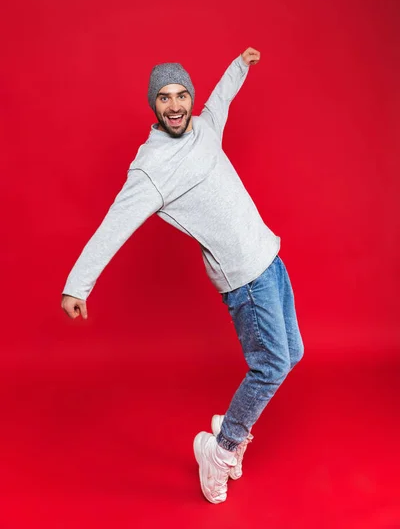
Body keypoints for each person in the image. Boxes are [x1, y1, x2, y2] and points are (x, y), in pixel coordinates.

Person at [61, 47, 304, 504]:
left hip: (269, 258)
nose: (175, 105)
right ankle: (222, 447)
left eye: (181, 95)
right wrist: (78, 283)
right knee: (270, 365)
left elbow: (222, 99)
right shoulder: (152, 167)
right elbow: (115, 222)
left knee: (292, 355)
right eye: (164, 98)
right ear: (153, 105)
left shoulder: (205, 127)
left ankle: (230, 424)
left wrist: (239, 65)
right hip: (244, 282)